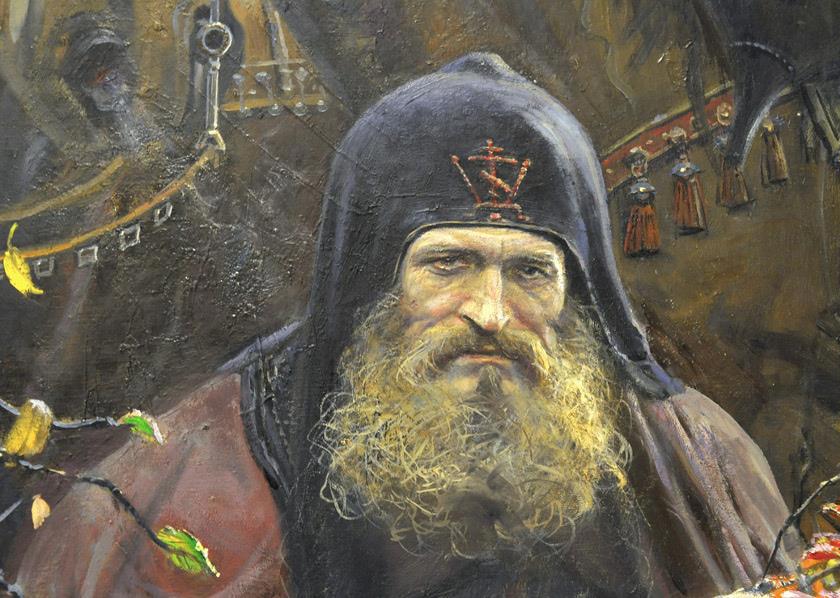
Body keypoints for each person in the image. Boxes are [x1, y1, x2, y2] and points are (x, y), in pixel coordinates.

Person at [12, 53, 799, 597]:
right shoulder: (172, 490)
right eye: (448, 264)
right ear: (369, 286)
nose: (491, 313)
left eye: (531, 272)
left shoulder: (696, 460)